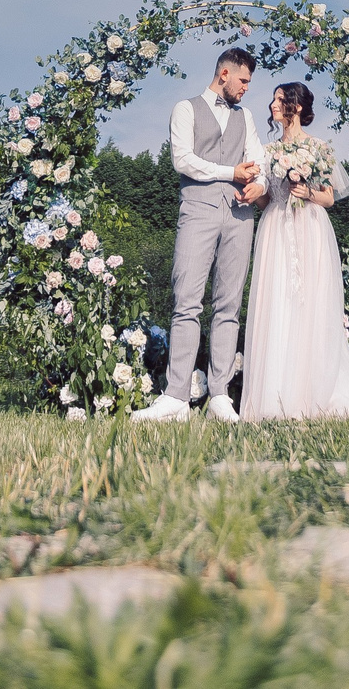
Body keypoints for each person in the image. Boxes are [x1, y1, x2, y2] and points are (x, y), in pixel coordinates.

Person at [237, 82, 349, 421]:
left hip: (310, 228)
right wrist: (255, 193)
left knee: (311, 305)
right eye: (275, 98)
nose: (273, 104)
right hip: (276, 227)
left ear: (296, 106)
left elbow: (329, 197)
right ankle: (274, 397)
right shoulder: (266, 151)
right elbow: (266, 199)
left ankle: (312, 392)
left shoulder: (319, 148)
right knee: (277, 303)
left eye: (280, 99)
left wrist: (305, 190)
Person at [133, 48, 267, 422]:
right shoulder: (186, 109)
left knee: (228, 306)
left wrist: (260, 185)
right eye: (242, 81)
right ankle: (176, 397)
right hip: (198, 212)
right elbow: (183, 159)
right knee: (187, 301)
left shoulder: (247, 117)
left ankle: (220, 396)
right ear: (224, 73)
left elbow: (258, 160)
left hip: (240, 217)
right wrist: (231, 173)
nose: (245, 89)